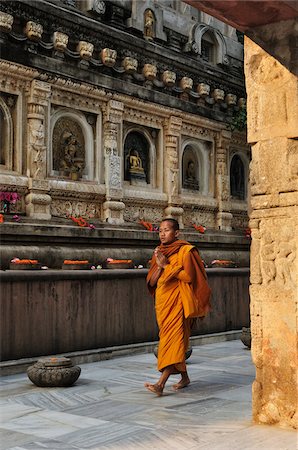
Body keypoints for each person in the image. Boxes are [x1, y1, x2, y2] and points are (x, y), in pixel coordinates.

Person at [145, 218, 211, 396]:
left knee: (173, 341)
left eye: (166, 230)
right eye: (160, 231)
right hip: (163, 303)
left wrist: (167, 265)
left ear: (177, 233)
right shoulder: (159, 252)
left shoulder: (186, 251)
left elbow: (189, 277)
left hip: (179, 303)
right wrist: (159, 267)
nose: (162, 234)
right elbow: (151, 281)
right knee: (173, 340)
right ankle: (185, 377)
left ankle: (160, 384)